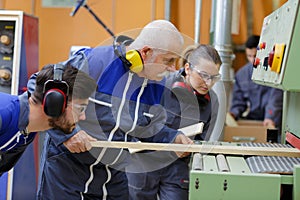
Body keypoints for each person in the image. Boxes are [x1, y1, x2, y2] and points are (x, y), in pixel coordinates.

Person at [28, 20, 193, 199]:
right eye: (168, 60)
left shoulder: (156, 83)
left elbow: (145, 128)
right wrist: (67, 133)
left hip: (112, 177)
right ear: (145, 52)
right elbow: (38, 86)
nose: (173, 68)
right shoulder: (95, 62)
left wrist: (172, 137)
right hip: (66, 172)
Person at [126, 44, 222, 200]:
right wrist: (172, 138)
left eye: (214, 77)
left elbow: (203, 138)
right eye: (203, 75)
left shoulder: (212, 101)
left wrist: (191, 148)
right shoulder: (161, 83)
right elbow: (141, 125)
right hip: (145, 161)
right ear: (188, 68)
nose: (208, 83)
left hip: (177, 166)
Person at [0, 64, 97, 176]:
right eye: (81, 108)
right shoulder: (4, 115)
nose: (82, 117)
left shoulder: (26, 133)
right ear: (55, 103)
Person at [230, 35, 283, 129]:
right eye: (249, 56)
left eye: (255, 56)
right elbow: (239, 102)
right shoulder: (241, 75)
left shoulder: (274, 71)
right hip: (253, 120)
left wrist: (270, 117)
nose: (252, 60)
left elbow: (275, 98)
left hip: (273, 121)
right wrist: (233, 114)